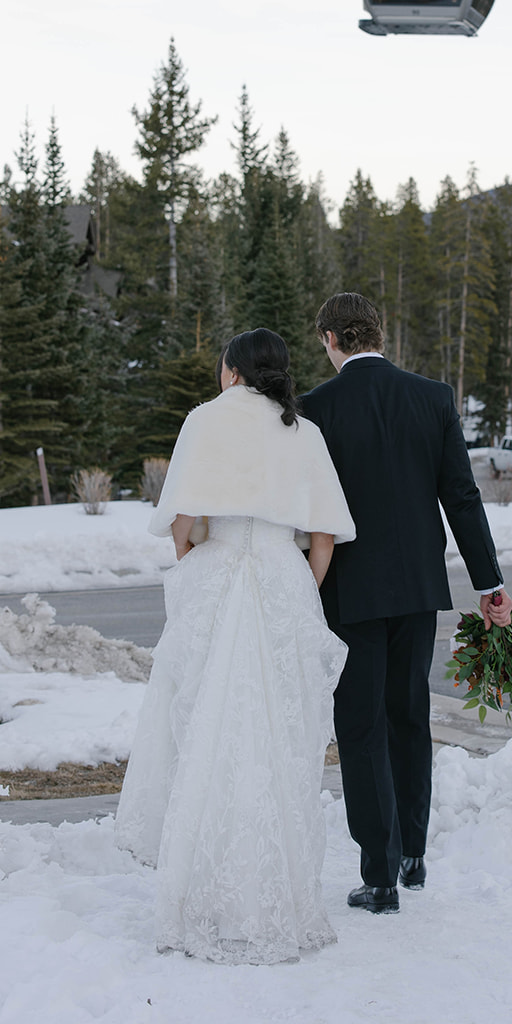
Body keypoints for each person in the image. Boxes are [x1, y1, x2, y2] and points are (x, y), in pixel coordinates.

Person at [115, 328, 355, 966]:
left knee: (206, 732)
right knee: (281, 738)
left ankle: (204, 896)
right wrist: (298, 589)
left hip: (219, 577)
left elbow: (183, 525)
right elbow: (326, 534)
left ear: (233, 371)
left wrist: (198, 563)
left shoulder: (203, 421)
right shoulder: (303, 432)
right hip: (281, 578)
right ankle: (283, 897)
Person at [299, 292, 512, 915]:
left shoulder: (316, 409)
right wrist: (489, 583)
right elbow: (462, 498)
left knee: (361, 727)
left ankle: (380, 875)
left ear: (331, 340)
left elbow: (309, 512)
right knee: (408, 716)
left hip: (352, 593)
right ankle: (414, 852)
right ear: (379, 336)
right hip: (420, 590)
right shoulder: (433, 398)